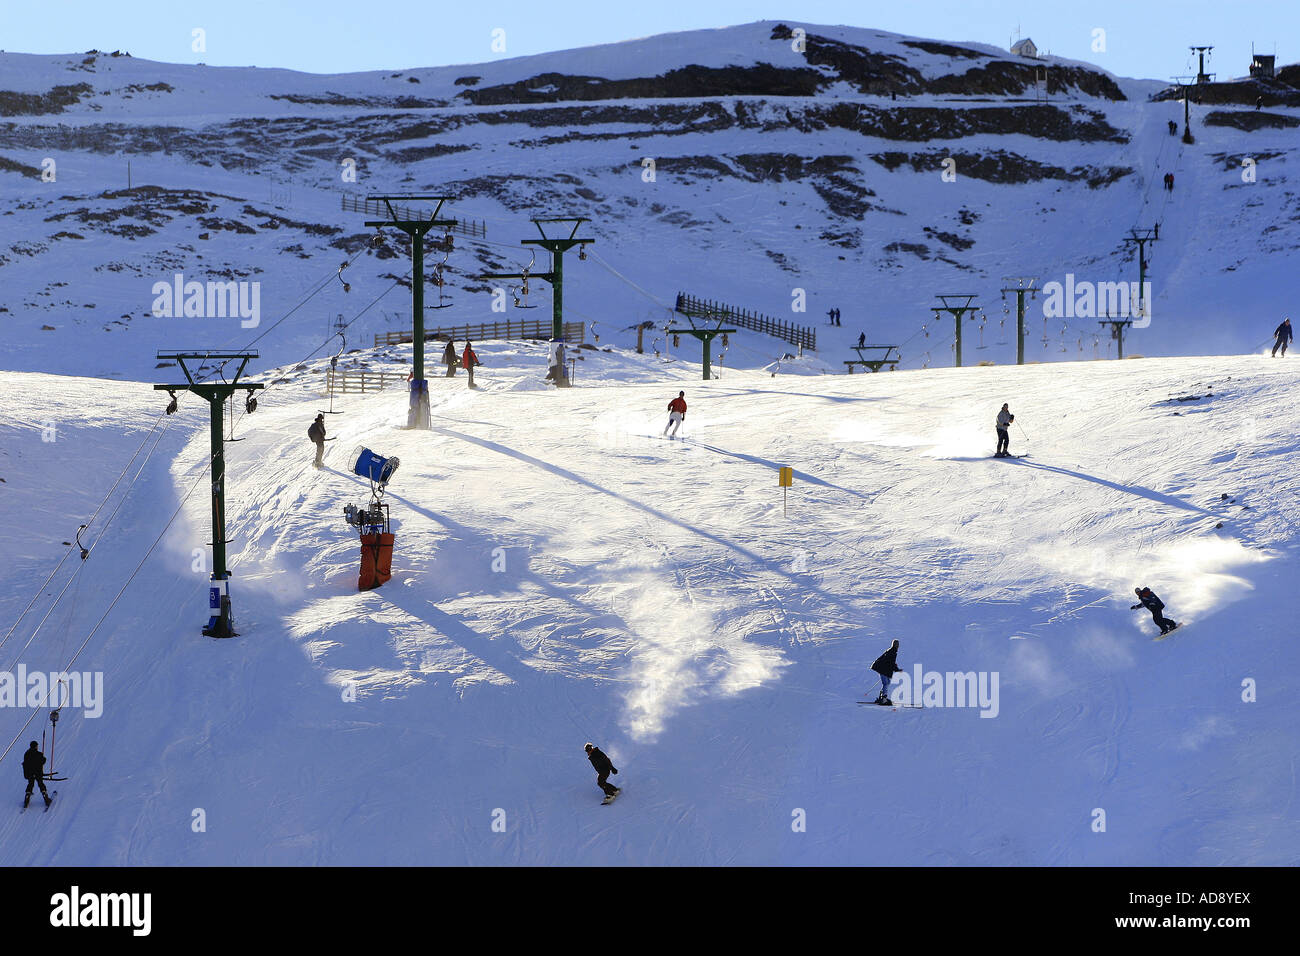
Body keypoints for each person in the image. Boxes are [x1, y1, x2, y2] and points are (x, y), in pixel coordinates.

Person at [870, 640, 903, 704]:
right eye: (897, 644)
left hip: (883, 669)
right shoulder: (892, 652)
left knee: (887, 682)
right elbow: (891, 663)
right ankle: (883, 699)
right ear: (895, 645)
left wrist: (896, 668)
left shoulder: (891, 651)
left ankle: (881, 697)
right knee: (886, 683)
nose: (898, 646)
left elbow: (890, 662)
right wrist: (897, 669)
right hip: (882, 669)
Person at [23, 741, 50, 809]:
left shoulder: (26, 754)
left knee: (30, 784)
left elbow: (25, 763)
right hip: (38, 773)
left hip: (30, 773)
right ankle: (45, 797)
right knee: (41, 784)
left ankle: (27, 797)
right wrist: (43, 758)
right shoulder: (39, 754)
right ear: (35, 746)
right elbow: (43, 761)